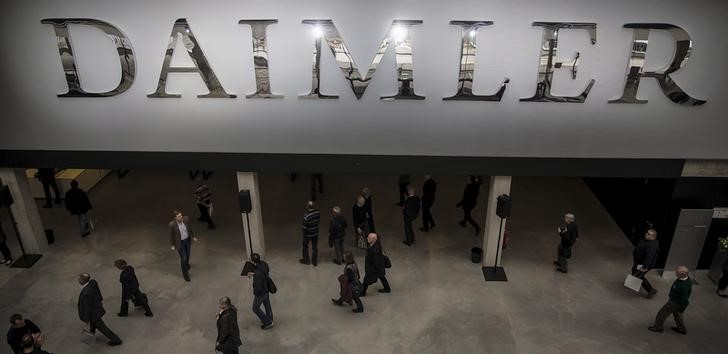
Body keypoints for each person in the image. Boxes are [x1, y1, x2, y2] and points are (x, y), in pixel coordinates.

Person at [76, 273, 122, 346]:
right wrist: (100, 299)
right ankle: (91, 334)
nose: (78, 280)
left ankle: (116, 340)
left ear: (83, 280)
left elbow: (88, 308)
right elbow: (98, 291)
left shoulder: (86, 293)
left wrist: (86, 319)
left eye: (79, 279)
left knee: (102, 328)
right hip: (97, 309)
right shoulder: (92, 282)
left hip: (94, 314)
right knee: (93, 324)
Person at [649, 266, 692, 334]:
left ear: (683, 274)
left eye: (677, 272)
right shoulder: (685, 279)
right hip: (677, 302)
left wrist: (682, 308)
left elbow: (684, 299)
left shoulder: (683, 286)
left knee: (662, 314)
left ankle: (658, 327)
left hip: (674, 302)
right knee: (677, 316)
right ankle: (682, 329)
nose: (675, 273)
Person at [169, 210, 197, 281]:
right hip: (180, 243)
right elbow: (172, 235)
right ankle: (185, 275)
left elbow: (190, 228)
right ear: (175, 218)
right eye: (179, 216)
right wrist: (172, 244)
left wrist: (193, 236)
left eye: (181, 215)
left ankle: (186, 265)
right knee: (183, 258)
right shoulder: (172, 224)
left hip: (187, 241)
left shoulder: (186, 219)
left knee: (187, 255)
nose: (181, 217)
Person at [247, 253, 273, 330]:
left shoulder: (257, 275)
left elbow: (258, 287)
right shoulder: (264, 263)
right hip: (266, 288)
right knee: (267, 304)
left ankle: (267, 322)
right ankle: (270, 318)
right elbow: (265, 271)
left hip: (261, 292)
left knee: (255, 308)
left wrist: (256, 294)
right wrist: (255, 273)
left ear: (253, 262)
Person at [631, 229, 660, 298]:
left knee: (639, 275)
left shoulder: (652, 245)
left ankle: (651, 290)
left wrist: (644, 267)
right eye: (647, 232)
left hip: (643, 265)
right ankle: (632, 282)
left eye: (648, 234)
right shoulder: (646, 240)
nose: (646, 234)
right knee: (634, 271)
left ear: (653, 236)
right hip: (638, 262)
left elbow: (649, 257)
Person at [300, 201, 321, 266]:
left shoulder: (306, 216)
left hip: (308, 234)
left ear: (307, 207)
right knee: (315, 247)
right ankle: (314, 262)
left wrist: (304, 235)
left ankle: (306, 260)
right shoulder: (318, 213)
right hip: (315, 233)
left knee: (305, 246)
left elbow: (304, 227)